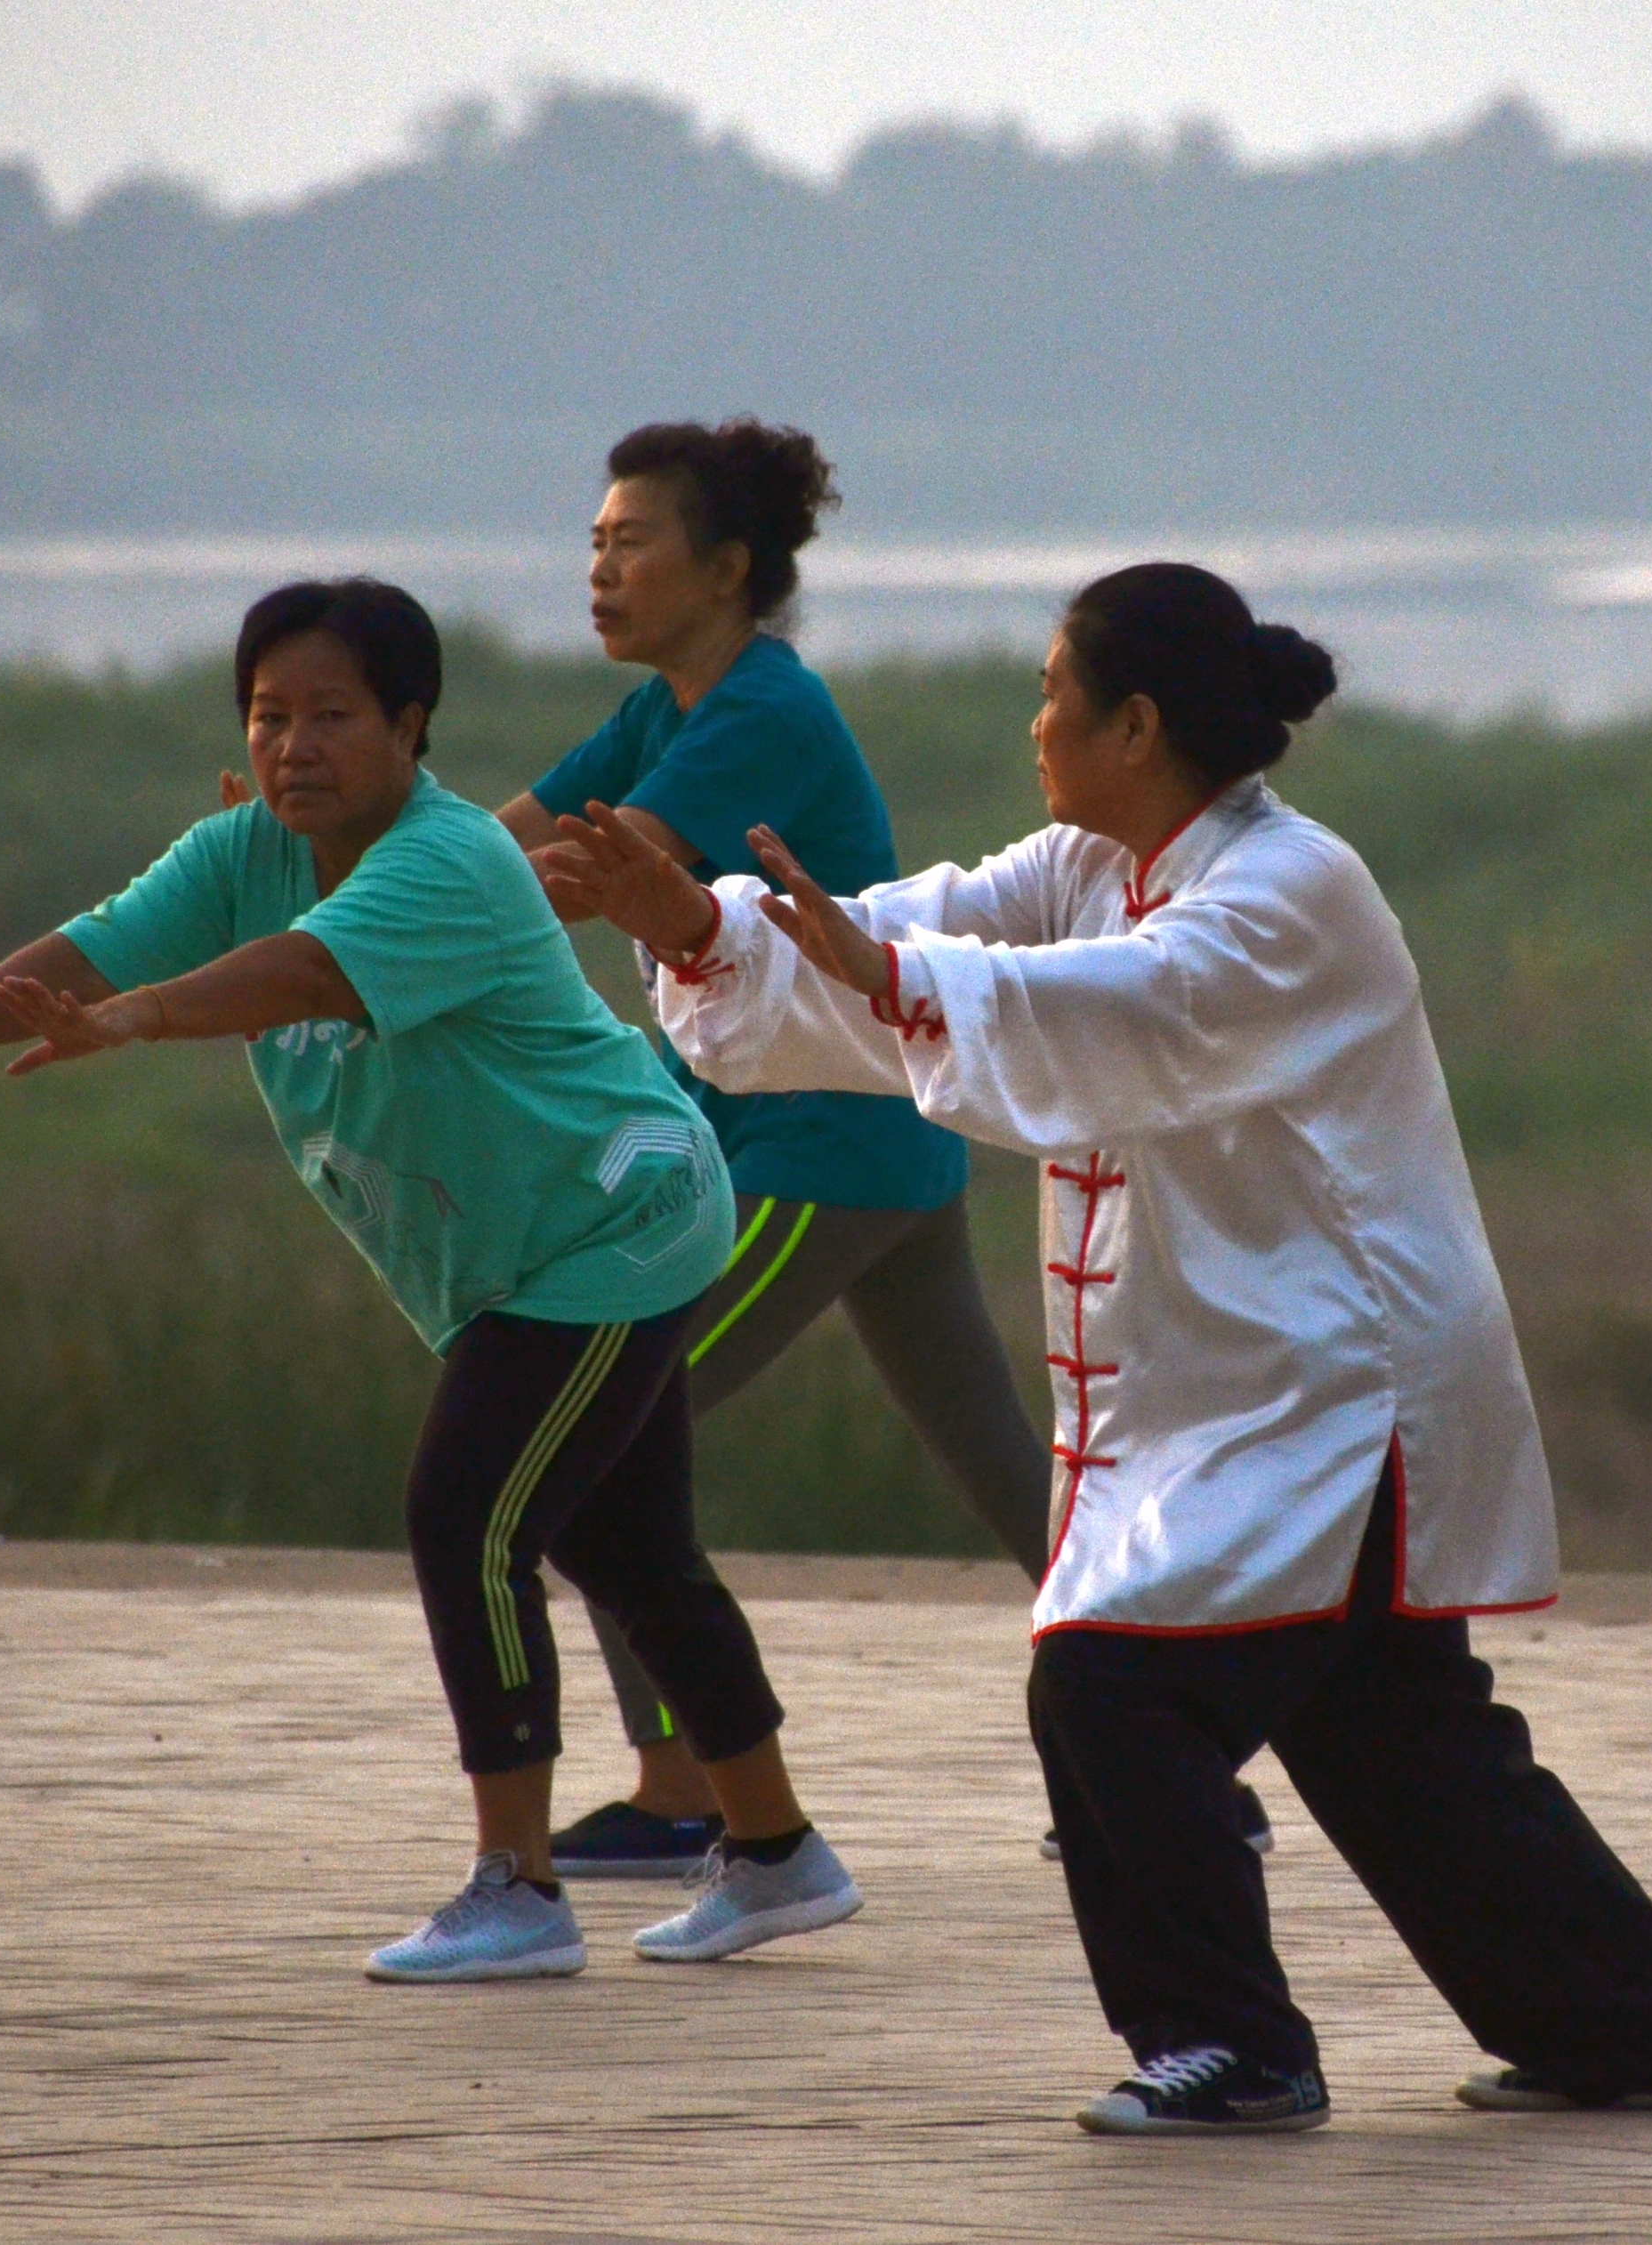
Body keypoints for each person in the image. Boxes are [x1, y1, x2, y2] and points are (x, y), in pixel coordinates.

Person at [544, 561, 1652, 2132]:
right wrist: (704, 925)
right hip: (1251, 1387)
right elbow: (904, 936)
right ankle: (1647, 2035)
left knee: (1114, 1687)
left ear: (1137, 722)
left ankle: (1234, 2051)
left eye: (1056, 693)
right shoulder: (1085, 864)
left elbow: (1108, 1011)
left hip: (1342, 1384)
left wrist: (884, 974)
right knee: (1395, 1734)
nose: (1033, 721)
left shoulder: (1290, 893)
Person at [0, 577, 863, 1983]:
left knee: (464, 1515)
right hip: (526, 1246)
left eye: (333, 716)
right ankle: (780, 1855)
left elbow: (306, 975)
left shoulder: (449, 862)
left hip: (612, 1224)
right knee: (626, 1548)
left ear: (412, 727)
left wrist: (138, 1022)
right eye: (270, 716)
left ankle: (519, 1887)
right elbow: (105, 933)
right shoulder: (246, 843)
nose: (296, 745)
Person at [480, 420, 1278, 1874]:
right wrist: (325, 861)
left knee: (595, 1433)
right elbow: (494, 846)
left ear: (728, 569)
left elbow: (569, 873)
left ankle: (683, 1793)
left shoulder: (756, 712)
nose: (599, 569)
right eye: (592, 544)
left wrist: (365, 928)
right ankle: (1181, 1767)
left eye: (630, 542)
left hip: (816, 1151)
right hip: (867, 1145)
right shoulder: (668, 707)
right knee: (1014, 1475)